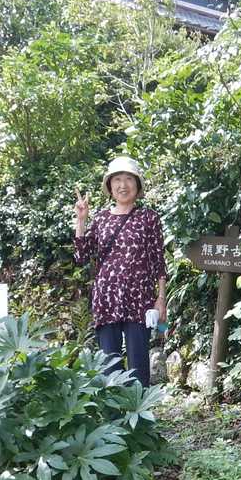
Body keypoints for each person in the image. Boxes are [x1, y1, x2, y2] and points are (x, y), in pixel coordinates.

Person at [73, 156, 167, 387]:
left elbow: (158, 261)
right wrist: (81, 221)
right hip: (106, 300)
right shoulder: (101, 219)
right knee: (109, 366)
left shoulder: (149, 218)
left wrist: (160, 299)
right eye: (117, 179)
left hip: (139, 299)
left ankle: (138, 408)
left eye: (128, 179)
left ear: (137, 185)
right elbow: (81, 257)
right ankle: (113, 409)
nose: (123, 185)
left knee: (138, 367)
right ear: (109, 185)